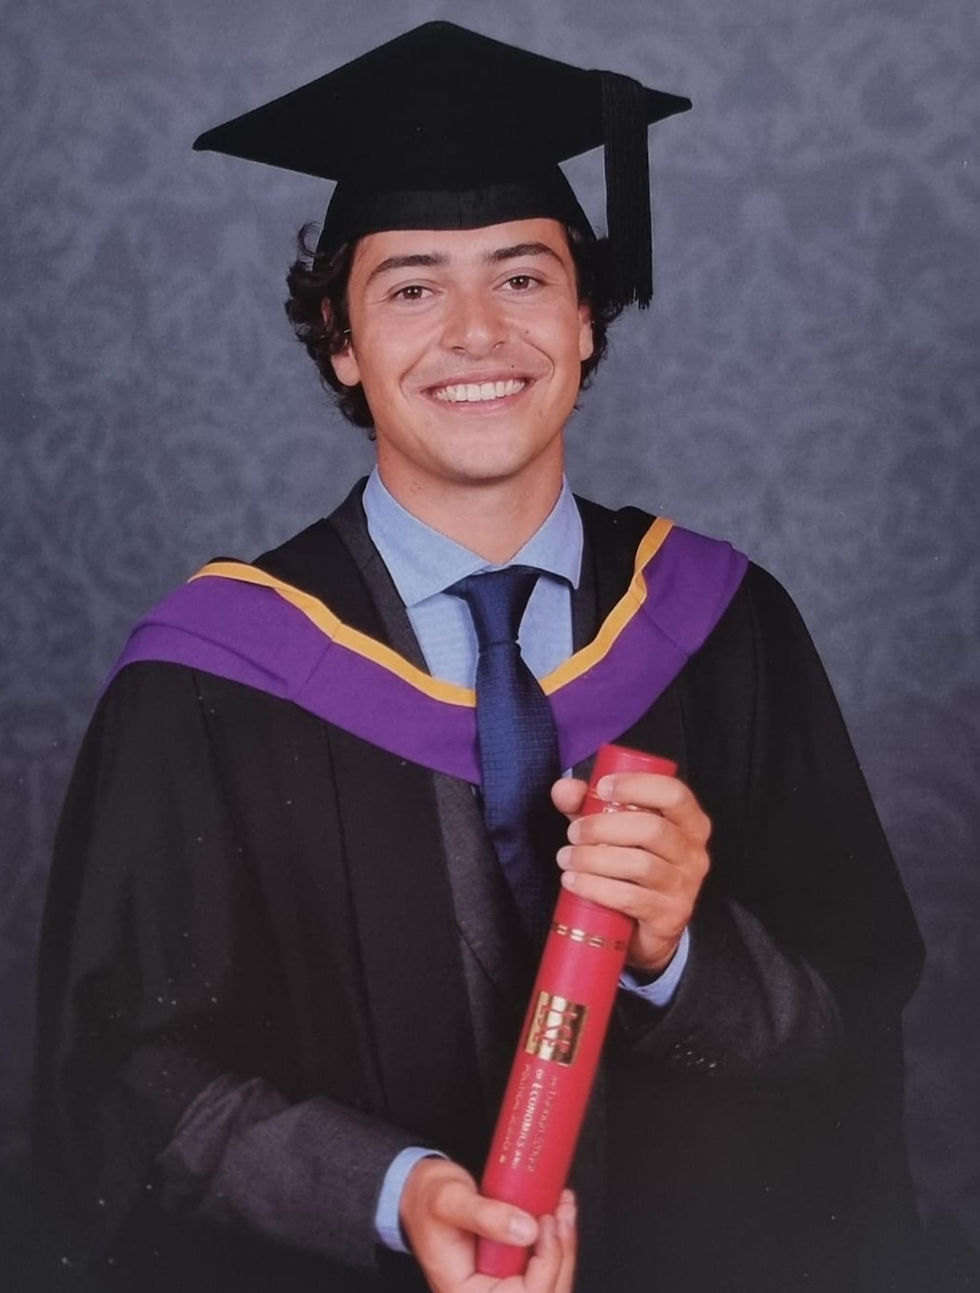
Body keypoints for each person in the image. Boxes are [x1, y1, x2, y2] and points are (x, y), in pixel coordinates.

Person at [33, 21, 925, 1293]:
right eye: (411, 287)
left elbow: (855, 1017)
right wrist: (393, 1195)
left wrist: (680, 951)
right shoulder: (209, 675)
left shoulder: (724, 623)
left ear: (584, 319)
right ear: (342, 341)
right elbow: (126, 1074)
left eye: (520, 277)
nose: (474, 331)